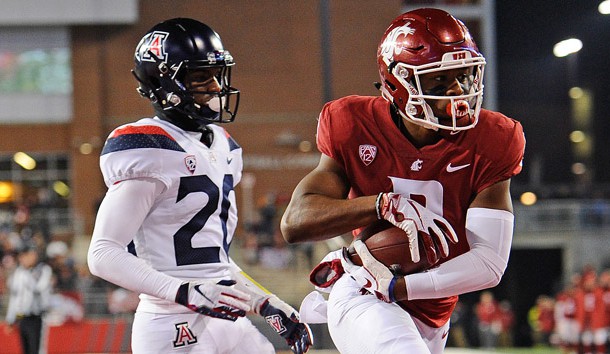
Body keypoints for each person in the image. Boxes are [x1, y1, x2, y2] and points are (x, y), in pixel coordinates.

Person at [281, 8, 525, 354]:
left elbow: (488, 263)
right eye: (439, 81)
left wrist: (400, 287)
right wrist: (383, 204)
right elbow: (295, 223)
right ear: (398, 84)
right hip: (365, 291)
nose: (457, 91)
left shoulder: (495, 138)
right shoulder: (352, 123)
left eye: (462, 76)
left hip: (430, 309)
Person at [87, 18, 312, 354]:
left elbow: (215, 265)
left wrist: (265, 301)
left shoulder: (223, 145)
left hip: (224, 317)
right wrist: (185, 292)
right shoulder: (148, 145)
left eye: (216, 75)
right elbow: (103, 253)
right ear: (162, 83)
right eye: (199, 77)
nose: (216, 87)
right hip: (169, 323)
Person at [5, 243, 53, 354]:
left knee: (37, 349)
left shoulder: (43, 270)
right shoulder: (18, 272)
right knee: (25, 349)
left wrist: (28, 274)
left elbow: (38, 288)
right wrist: (11, 319)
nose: (23, 258)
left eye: (27, 255)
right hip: (22, 317)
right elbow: (15, 298)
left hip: (37, 317)